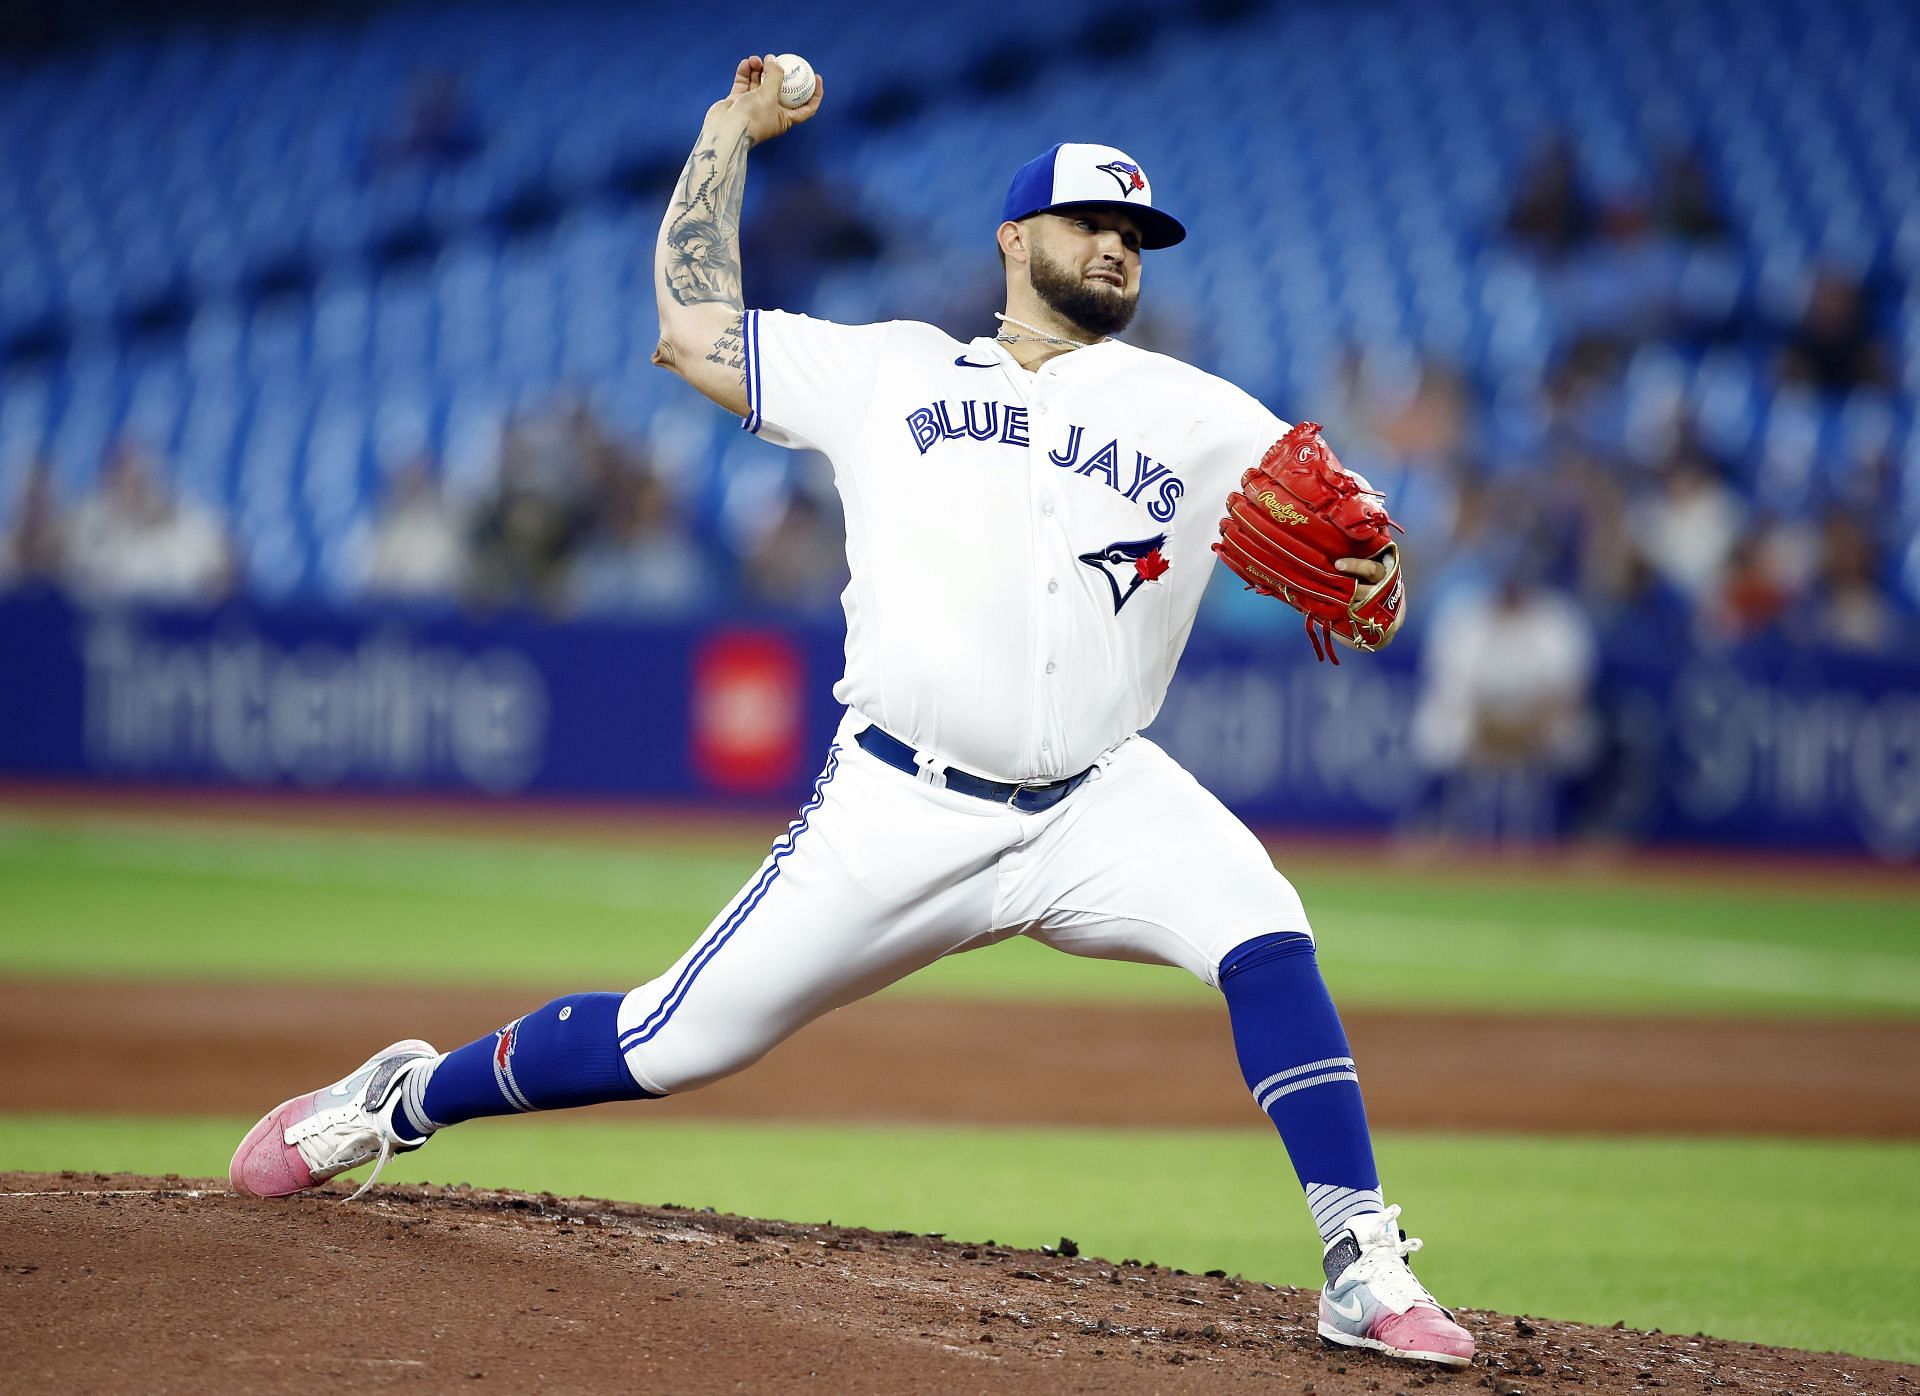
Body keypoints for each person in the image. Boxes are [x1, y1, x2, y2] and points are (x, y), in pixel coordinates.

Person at [230, 56, 1474, 1370]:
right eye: (1089, 223)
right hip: (900, 805)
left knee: (1264, 924)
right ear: (1015, 240)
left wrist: (1380, 573)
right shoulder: (887, 371)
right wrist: (726, 131)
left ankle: (1359, 1262)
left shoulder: (1202, 413)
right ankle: (400, 1100)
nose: (1116, 248)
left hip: (1099, 800)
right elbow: (690, 326)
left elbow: (1358, 560)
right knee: (666, 1041)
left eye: (1136, 236)